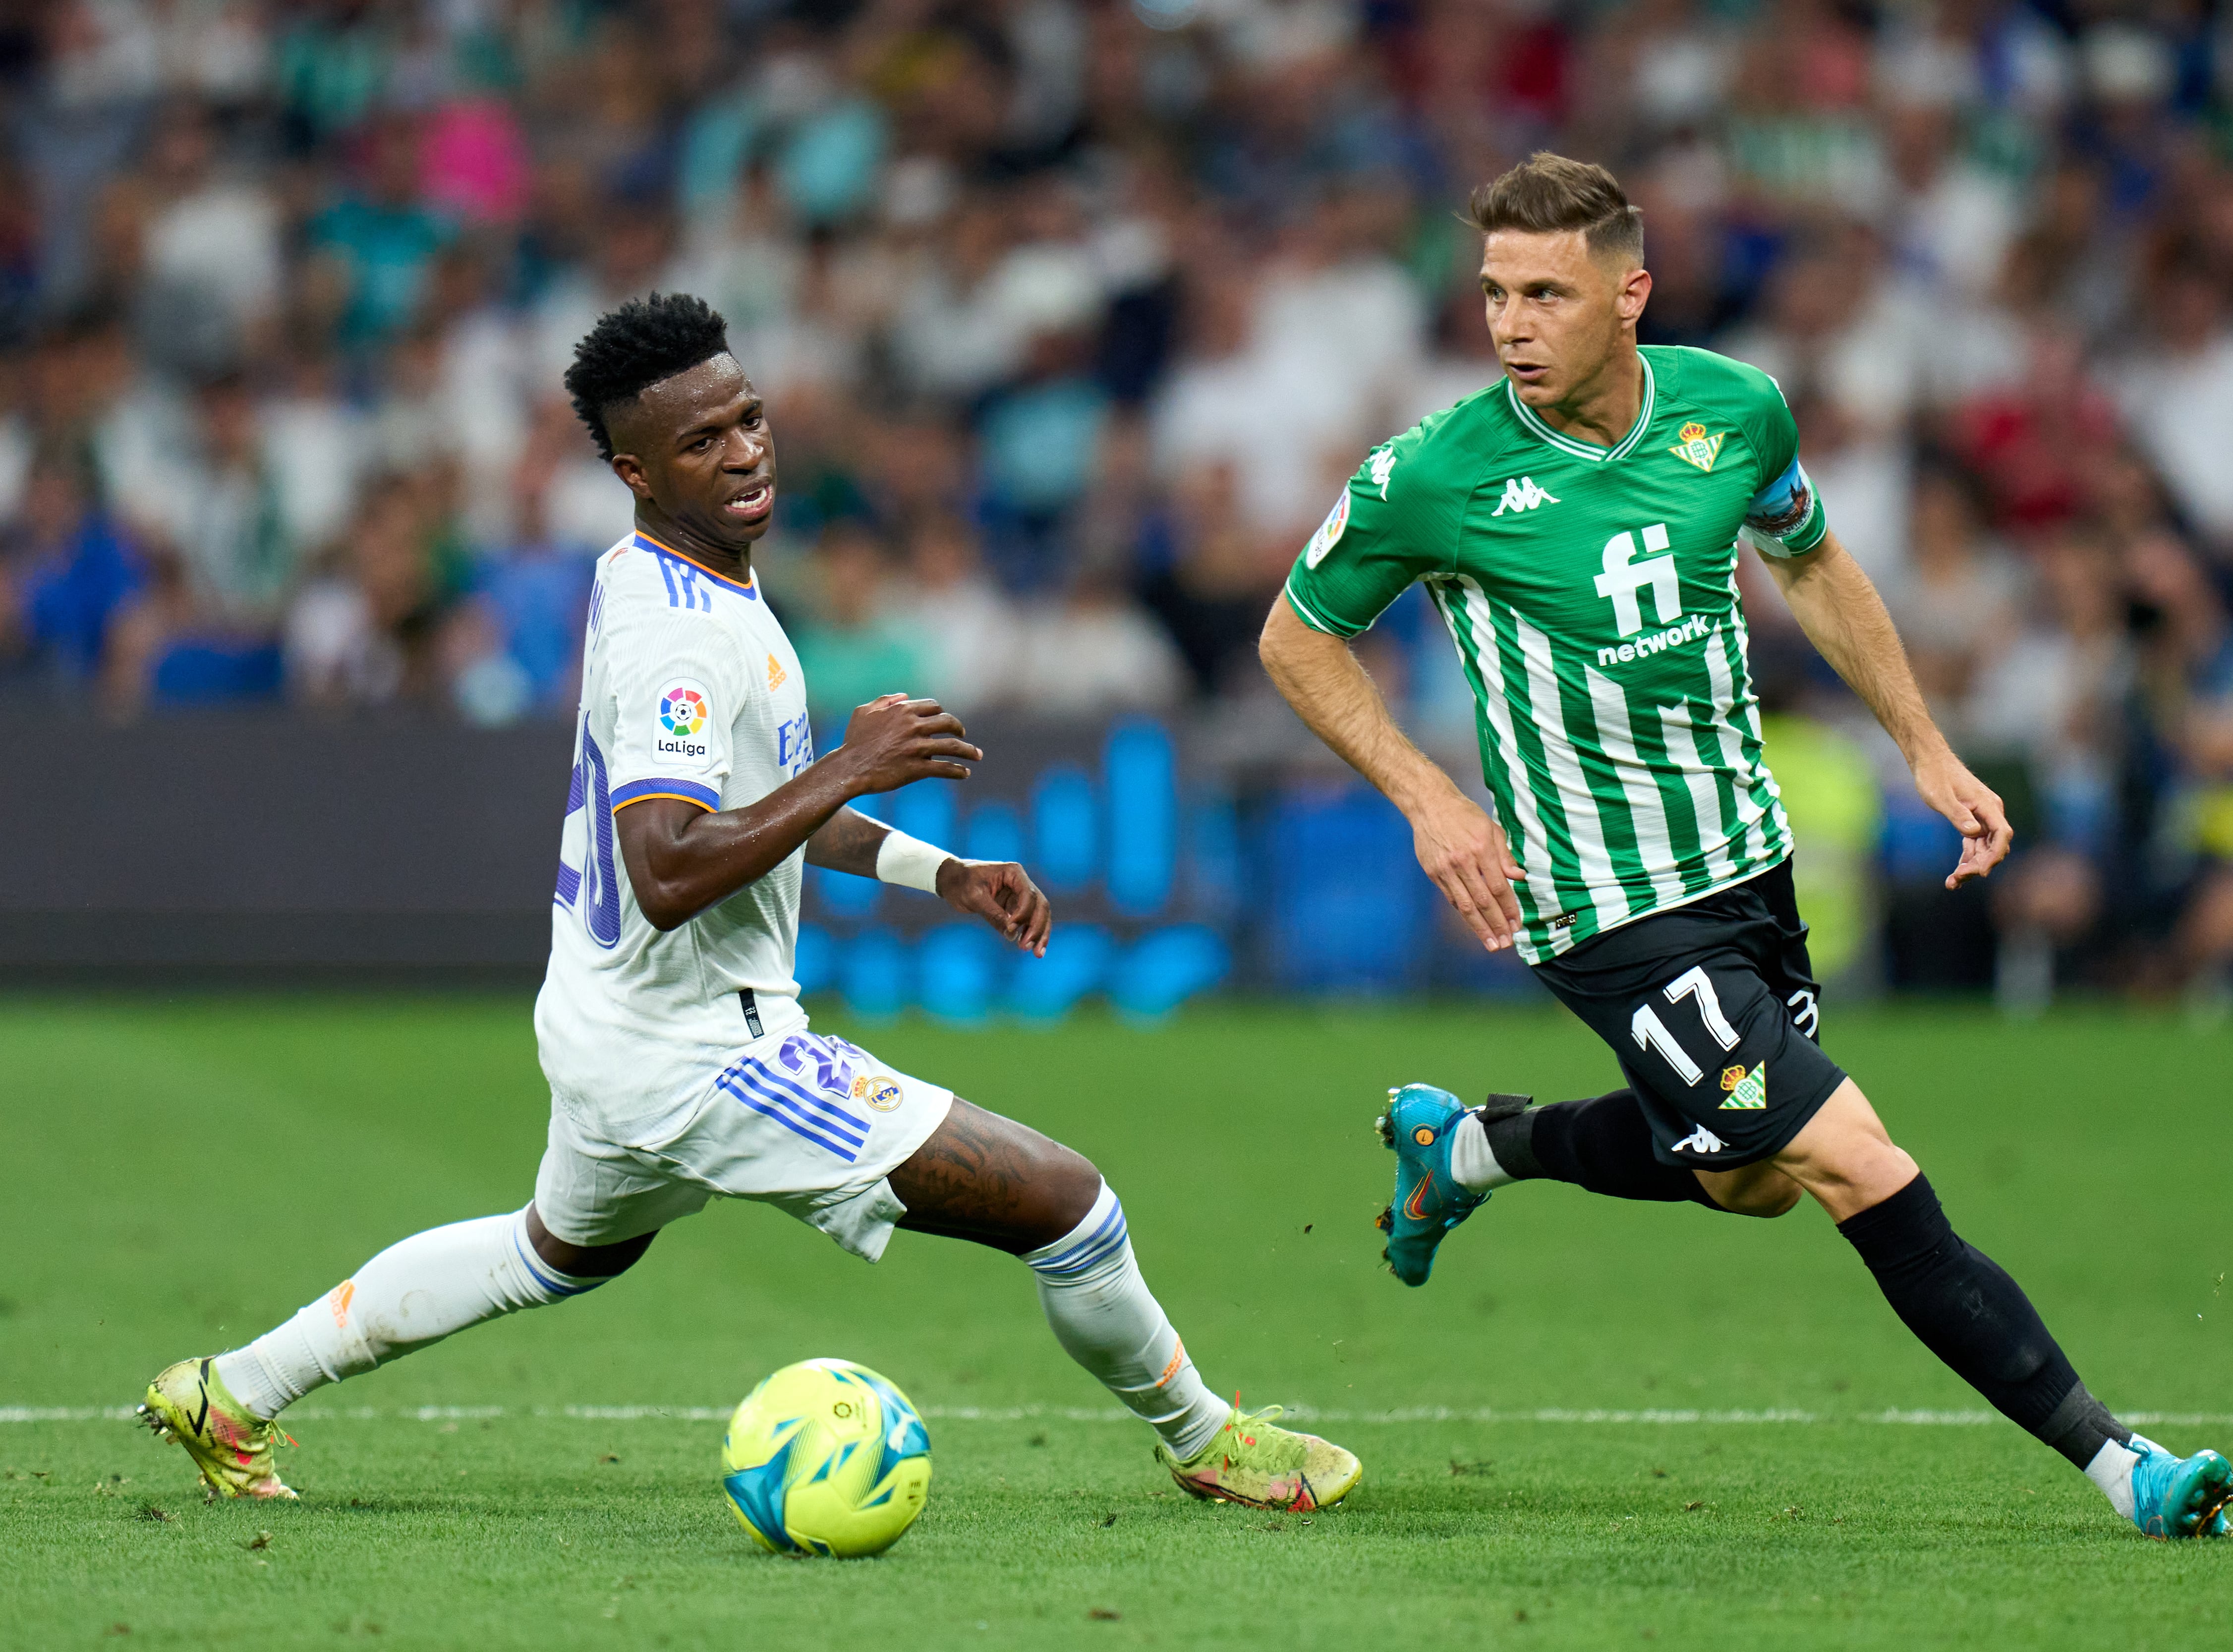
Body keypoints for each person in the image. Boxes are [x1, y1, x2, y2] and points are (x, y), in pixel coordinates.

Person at [141, 292, 1360, 1516]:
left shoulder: (688, 580)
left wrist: (939, 869)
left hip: (614, 1023)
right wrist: (853, 758)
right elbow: (670, 867)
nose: (745, 451)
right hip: (698, 1050)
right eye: (702, 441)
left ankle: (232, 1387)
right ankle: (1208, 1441)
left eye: (750, 418)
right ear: (633, 469)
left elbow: (758, 804)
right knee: (1069, 1204)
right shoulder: (676, 637)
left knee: (545, 1252)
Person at [1258, 155, 2233, 1540]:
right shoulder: (1437, 474)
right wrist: (1428, 795)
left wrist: (1923, 742)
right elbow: (1296, 639)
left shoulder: (1736, 409)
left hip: (1747, 866)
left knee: (1747, 1176)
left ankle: (1472, 1148)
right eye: (1493, 294)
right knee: (1855, 1160)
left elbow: (1815, 560)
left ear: (1630, 293)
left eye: (1547, 292)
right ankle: (2122, 1460)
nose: (1513, 324)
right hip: (1601, 902)